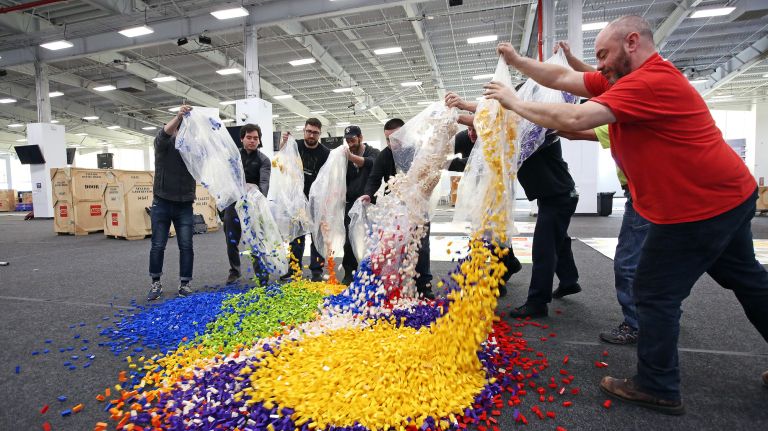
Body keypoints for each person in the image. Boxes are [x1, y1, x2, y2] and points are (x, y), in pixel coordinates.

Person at [483, 15, 768, 415]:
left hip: (695, 206)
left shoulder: (648, 82)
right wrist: (517, 60)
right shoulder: (626, 78)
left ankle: (657, 385)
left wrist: (512, 100)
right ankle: (659, 380)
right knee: (747, 278)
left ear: (632, 42)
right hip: (727, 195)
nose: (597, 65)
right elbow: (562, 79)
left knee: (653, 292)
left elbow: (575, 118)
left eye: (603, 54)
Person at [446, 91, 581, 319]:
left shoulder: (538, 129)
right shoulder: (520, 130)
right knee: (557, 238)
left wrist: (462, 110)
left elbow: (498, 117)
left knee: (543, 247)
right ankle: (569, 280)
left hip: (559, 195)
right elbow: (495, 122)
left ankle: (537, 302)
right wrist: (463, 118)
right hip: (556, 195)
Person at [555, 40, 647, 345]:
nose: (600, 64)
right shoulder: (626, 98)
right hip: (655, 194)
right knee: (736, 272)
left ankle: (637, 323)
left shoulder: (622, 114)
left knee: (628, 262)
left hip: (647, 196)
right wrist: (571, 60)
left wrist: (533, 118)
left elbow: (572, 127)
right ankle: (657, 313)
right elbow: (598, 84)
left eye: (604, 56)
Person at [361, 118, 435, 299]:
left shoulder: (417, 152)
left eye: (395, 139)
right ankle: (398, 283)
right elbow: (374, 177)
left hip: (418, 206)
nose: (391, 143)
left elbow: (430, 175)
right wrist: (368, 194)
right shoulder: (384, 155)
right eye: (387, 140)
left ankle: (424, 284)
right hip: (395, 209)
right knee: (394, 247)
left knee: (421, 247)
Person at [446, 124, 522, 297]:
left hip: (498, 189)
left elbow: (478, 162)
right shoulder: (463, 137)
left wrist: (450, 163)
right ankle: (509, 264)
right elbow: (449, 150)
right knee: (484, 234)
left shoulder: (494, 138)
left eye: (475, 129)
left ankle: (498, 280)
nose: (472, 133)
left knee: (496, 234)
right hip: (479, 191)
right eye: (469, 129)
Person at [147, 105, 197, 301]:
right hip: (162, 202)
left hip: (185, 203)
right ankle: (155, 283)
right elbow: (164, 133)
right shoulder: (162, 144)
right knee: (158, 245)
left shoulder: (191, 149)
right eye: (178, 129)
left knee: (186, 245)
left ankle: (185, 284)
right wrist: (179, 117)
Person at [280, 118, 330, 282]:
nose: (311, 135)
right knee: (296, 237)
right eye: (309, 131)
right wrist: (283, 144)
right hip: (297, 200)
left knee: (318, 237)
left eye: (315, 132)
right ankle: (294, 270)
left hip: (317, 200)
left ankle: (316, 271)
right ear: (304, 131)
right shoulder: (295, 146)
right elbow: (281, 161)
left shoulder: (325, 153)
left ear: (319, 134)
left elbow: (328, 178)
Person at [223, 124, 271, 286]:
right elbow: (228, 179)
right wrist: (241, 187)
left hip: (254, 204)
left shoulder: (264, 160)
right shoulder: (233, 156)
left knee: (256, 239)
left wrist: (256, 191)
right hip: (233, 202)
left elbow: (264, 183)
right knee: (231, 239)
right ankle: (234, 271)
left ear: (259, 140)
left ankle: (261, 273)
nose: (252, 141)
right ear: (242, 138)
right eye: (249, 138)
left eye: (255, 138)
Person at [340, 125, 380, 285]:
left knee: (371, 239)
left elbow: (371, 164)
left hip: (370, 203)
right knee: (349, 240)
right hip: (350, 204)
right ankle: (349, 272)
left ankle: (370, 272)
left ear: (361, 138)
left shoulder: (374, 152)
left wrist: (351, 157)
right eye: (347, 140)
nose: (350, 143)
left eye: (353, 140)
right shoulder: (345, 157)